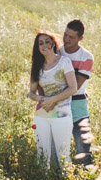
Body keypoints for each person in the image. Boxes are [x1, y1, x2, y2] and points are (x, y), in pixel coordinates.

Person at [28, 31, 77, 171]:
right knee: (42, 155)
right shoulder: (37, 66)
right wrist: (43, 100)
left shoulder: (64, 62)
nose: (45, 45)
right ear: (37, 48)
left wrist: (53, 100)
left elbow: (73, 87)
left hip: (61, 113)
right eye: (41, 43)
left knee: (63, 155)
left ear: (53, 43)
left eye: (47, 41)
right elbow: (31, 93)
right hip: (41, 115)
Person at [60, 19, 94, 165]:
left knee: (83, 150)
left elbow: (76, 85)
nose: (66, 39)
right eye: (65, 35)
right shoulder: (57, 51)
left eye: (71, 37)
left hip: (78, 107)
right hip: (59, 106)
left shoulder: (86, 57)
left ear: (80, 39)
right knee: (60, 148)